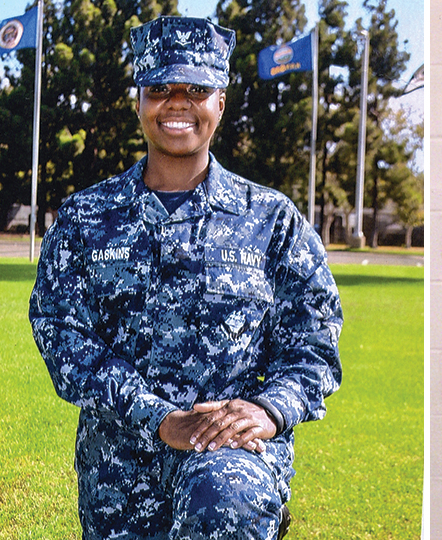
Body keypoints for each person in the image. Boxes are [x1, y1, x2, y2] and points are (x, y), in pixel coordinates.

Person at [29, 16, 342, 540]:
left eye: (196, 88)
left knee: (223, 497)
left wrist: (268, 409)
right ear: (139, 101)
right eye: (159, 88)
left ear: (220, 100)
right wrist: (159, 418)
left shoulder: (271, 219)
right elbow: (62, 335)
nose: (177, 103)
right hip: (119, 476)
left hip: (230, 463)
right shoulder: (86, 218)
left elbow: (314, 344)